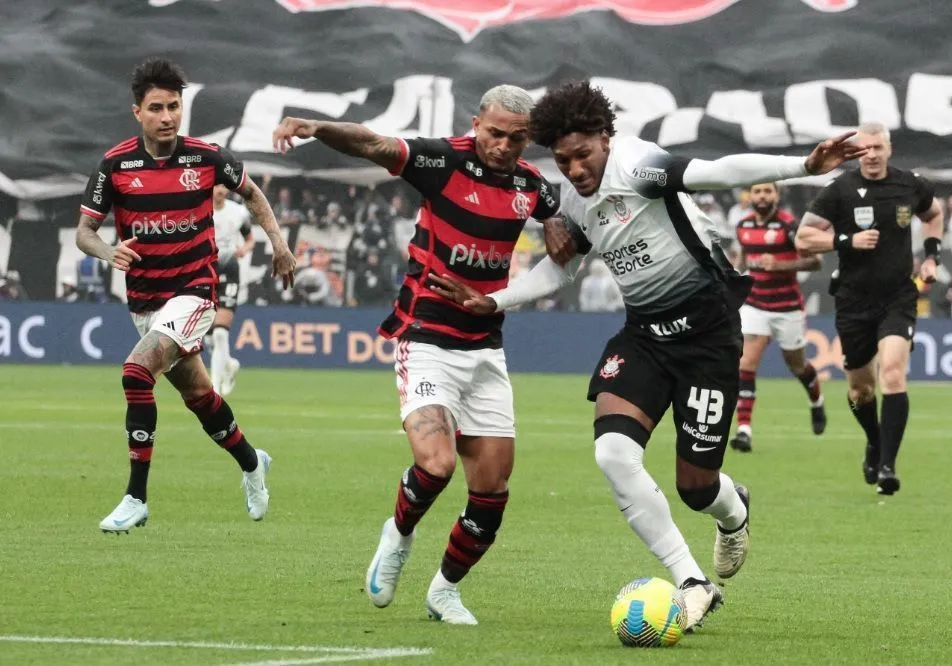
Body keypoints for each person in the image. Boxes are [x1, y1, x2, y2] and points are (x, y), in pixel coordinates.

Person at [427, 81, 865, 631]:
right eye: (563, 161)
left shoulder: (639, 167)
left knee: (696, 488)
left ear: (605, 139)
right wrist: (493, 299)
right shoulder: (572, 200)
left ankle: (735, 511)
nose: (575, 169)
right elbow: (559, 269)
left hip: (707, 339)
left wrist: (804, 164)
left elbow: (717, 170)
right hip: (644, 339)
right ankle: (690, 579)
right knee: (612, 453)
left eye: (583, 155)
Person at [271, 85, 560, 625]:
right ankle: (399, 535)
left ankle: (444, 591)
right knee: (437, 465)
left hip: (485, 350)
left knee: (492, 491)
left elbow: (558, 217)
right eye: (494, 133)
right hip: (425, 337)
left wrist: (559, 226)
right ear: (477, 123)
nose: (503, 145)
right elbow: (373, 143)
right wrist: (318, 127)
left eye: (517, 138)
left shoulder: (531, 184)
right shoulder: (443, 160)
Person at [75, 58, 296, 534]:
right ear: (138, 112)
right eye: (157, 107)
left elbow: (253, 193)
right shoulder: (115, 165)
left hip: (195, 293)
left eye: (174, 106)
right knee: (199, 395)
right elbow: (84, 232)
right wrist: (108, 251)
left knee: (136, 372)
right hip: (145, 301)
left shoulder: (206, 156)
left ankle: (136, 496)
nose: (168, 116)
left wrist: (279, 245)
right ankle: (252, 462)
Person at [795, 121, 943, 496]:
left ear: (889, 149)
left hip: (898, 296)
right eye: (866, 149)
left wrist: (931, 257)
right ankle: (874, 441)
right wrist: (846, 239)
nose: (873, 155)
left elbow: (934, 214)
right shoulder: (840, 190)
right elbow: (804, 238)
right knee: (861, 391)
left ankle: (888, 468)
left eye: (878, 147)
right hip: (852, 299)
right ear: (858, 152)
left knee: (892, 373)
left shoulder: (910, 184)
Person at [729, 182, 825, 454]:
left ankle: (816, 401)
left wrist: (781, 265)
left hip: (787, 307)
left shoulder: (789, 226)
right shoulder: (743, 226)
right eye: (757, 191)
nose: (762, 196)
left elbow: (815, 261)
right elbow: (744, 260)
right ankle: (744, 430)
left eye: (767, 191)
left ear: (776, 195)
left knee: (797, 366)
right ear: (750, 195)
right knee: (745, 363)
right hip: (755, 304)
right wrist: (734, 281)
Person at [207, 184, 254, 395]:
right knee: (208, 338)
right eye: (217, 185)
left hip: (229, 269)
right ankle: (229, 363)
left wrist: (243, 250)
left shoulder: (238, 212)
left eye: (224, 186)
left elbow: (250, 238)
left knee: (219, 334)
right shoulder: (199, 210)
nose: (221, 190)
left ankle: (215, 388)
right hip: (204, 271)